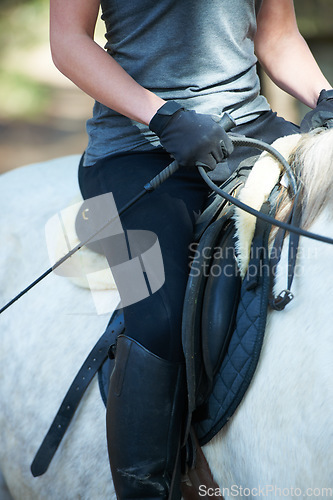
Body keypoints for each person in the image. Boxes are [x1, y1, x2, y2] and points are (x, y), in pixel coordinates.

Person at [49, 0, 332, 497]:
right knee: (157, 316)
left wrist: (325, 96)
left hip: (250, 135)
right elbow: (68, 43)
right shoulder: (136, 139)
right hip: (136, 149)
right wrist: (163, 117)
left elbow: (277, 35)